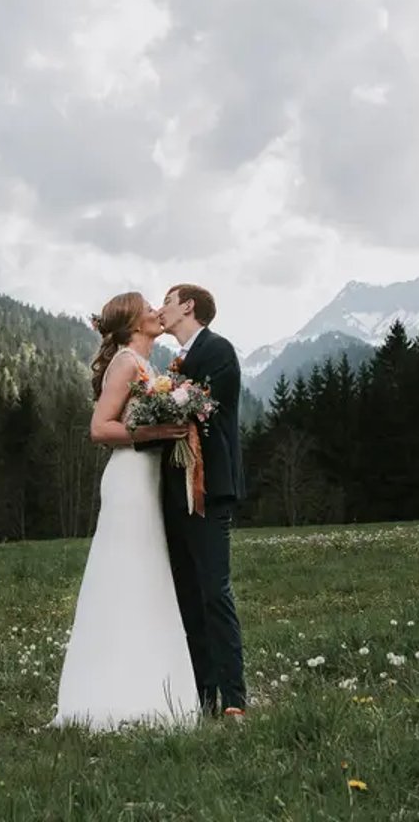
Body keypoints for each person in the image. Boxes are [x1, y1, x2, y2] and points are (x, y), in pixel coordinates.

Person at [48, 291, 198, 732]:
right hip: (129, 480)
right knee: (126, 572)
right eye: (149, 308)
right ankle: (108, 693)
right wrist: (155, 432)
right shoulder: (126, 363)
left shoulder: (148, 366)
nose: (156, 312)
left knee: (149, 573)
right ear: (134, 324)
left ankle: (150, 686)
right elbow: (100, 428)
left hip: (148, 480)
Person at [156, 283, 246, 719]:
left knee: (214, 593)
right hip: (177, 492)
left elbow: (203, 409)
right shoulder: (177, 362)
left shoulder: (217, 351)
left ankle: (234, 699)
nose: (161, 309)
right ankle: (203, 697)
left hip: (208, 489)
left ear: (188, 307)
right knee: (188, 596)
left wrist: (157, 404)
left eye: (167, 301)